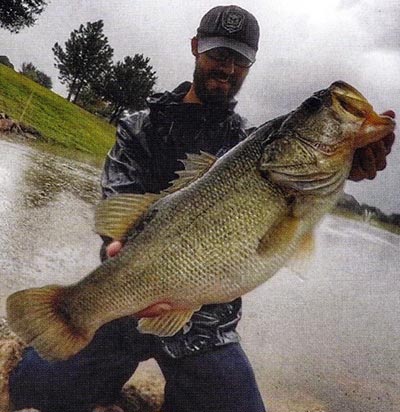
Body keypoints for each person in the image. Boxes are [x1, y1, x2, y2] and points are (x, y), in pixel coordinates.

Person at [7, 5, 396, 412]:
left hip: (207, 328)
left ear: (250, 64)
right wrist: (113, 246)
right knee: (32, 391)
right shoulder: (138, 127)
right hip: (120, 309)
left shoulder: (249, 142)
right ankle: (80, 339)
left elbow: (297, 201)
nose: (227, 68)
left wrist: (347, 162)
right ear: (196, 48)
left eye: (240, 59)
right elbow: (115, 214)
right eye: (218, 54)